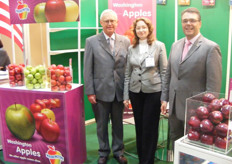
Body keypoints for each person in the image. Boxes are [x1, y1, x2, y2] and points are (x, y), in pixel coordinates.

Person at [161, 7, 222, 149]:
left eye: (192, 20)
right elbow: (168, 74)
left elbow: (213, 87)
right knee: (175, 142)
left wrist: (206, 112)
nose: (188, 24)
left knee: (193, 146)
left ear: (200, 23)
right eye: (185, 21)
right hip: (174, 108)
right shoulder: (175, 45)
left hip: (196, 110)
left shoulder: (211, 48)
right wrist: (164, 98)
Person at [84, 9, 130, 164]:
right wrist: (90, 91)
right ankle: (103, 152)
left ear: (117, 23)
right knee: (101, 124)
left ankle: (118, 151)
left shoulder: (125, 41)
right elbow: (87, 68)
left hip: (119, 91)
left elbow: (128, 68)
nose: (110, 24)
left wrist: (127, 91)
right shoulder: (91, 41)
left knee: (118, 124)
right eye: (106, 21)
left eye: (113, 21)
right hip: (100, 91)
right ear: (101, 23)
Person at [123, 17, 167, 164]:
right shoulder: (131, 48)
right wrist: (125, 95)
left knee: (150, 127)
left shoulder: (159, 46)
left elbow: (164, 72)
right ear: (135, 31)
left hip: (154, 92)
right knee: (140, 126)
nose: (141, 30)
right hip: (136, 92)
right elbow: (127, 73)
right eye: (138, 28)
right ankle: (143, 158)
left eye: (144, 27)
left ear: (149, 30)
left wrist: (164, 97)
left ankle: (148, 161)